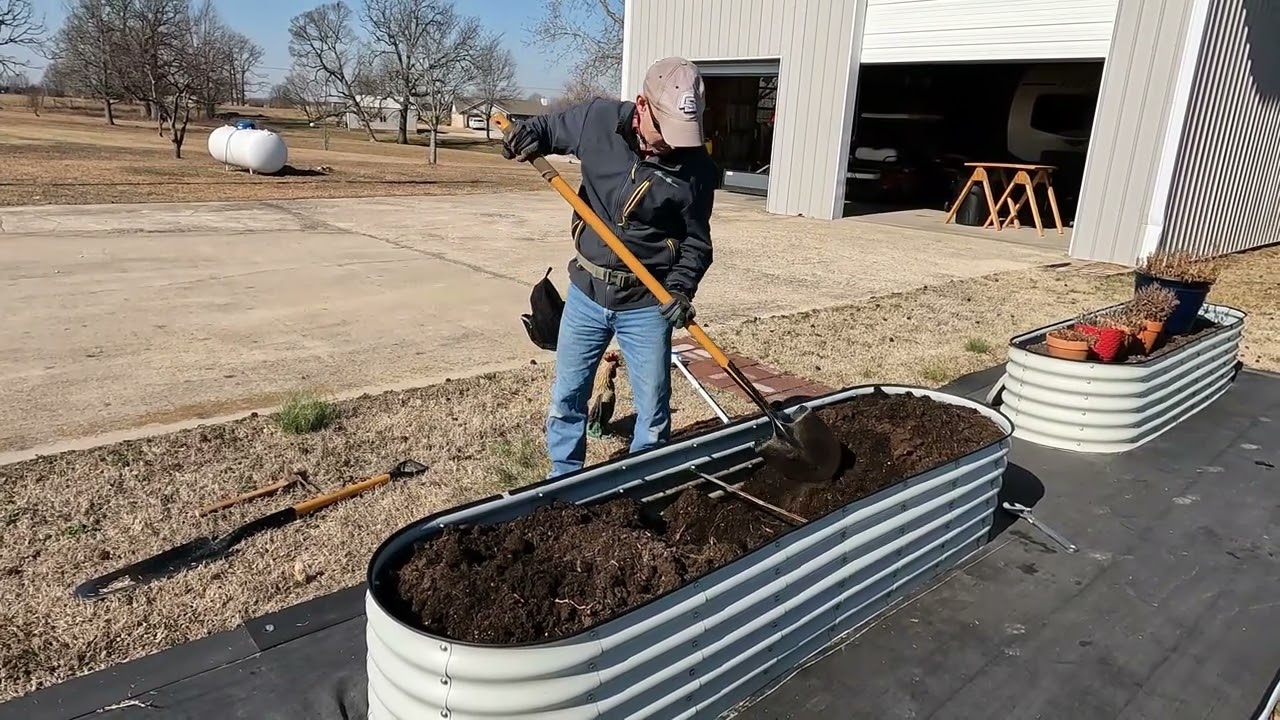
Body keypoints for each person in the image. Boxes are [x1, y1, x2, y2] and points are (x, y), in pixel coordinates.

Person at [501, 57, 718, 477]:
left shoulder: (696, 170)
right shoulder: (596, 120)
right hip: (587, 292)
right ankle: (564, 482)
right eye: (665, 130)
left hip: (647, 302)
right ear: (642, 106)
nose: (672, 145)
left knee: (652, 410)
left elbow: (697, 242)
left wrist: (681, 288)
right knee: (568, 397)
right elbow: (545, 130)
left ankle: (642, 485)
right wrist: (523, 136)